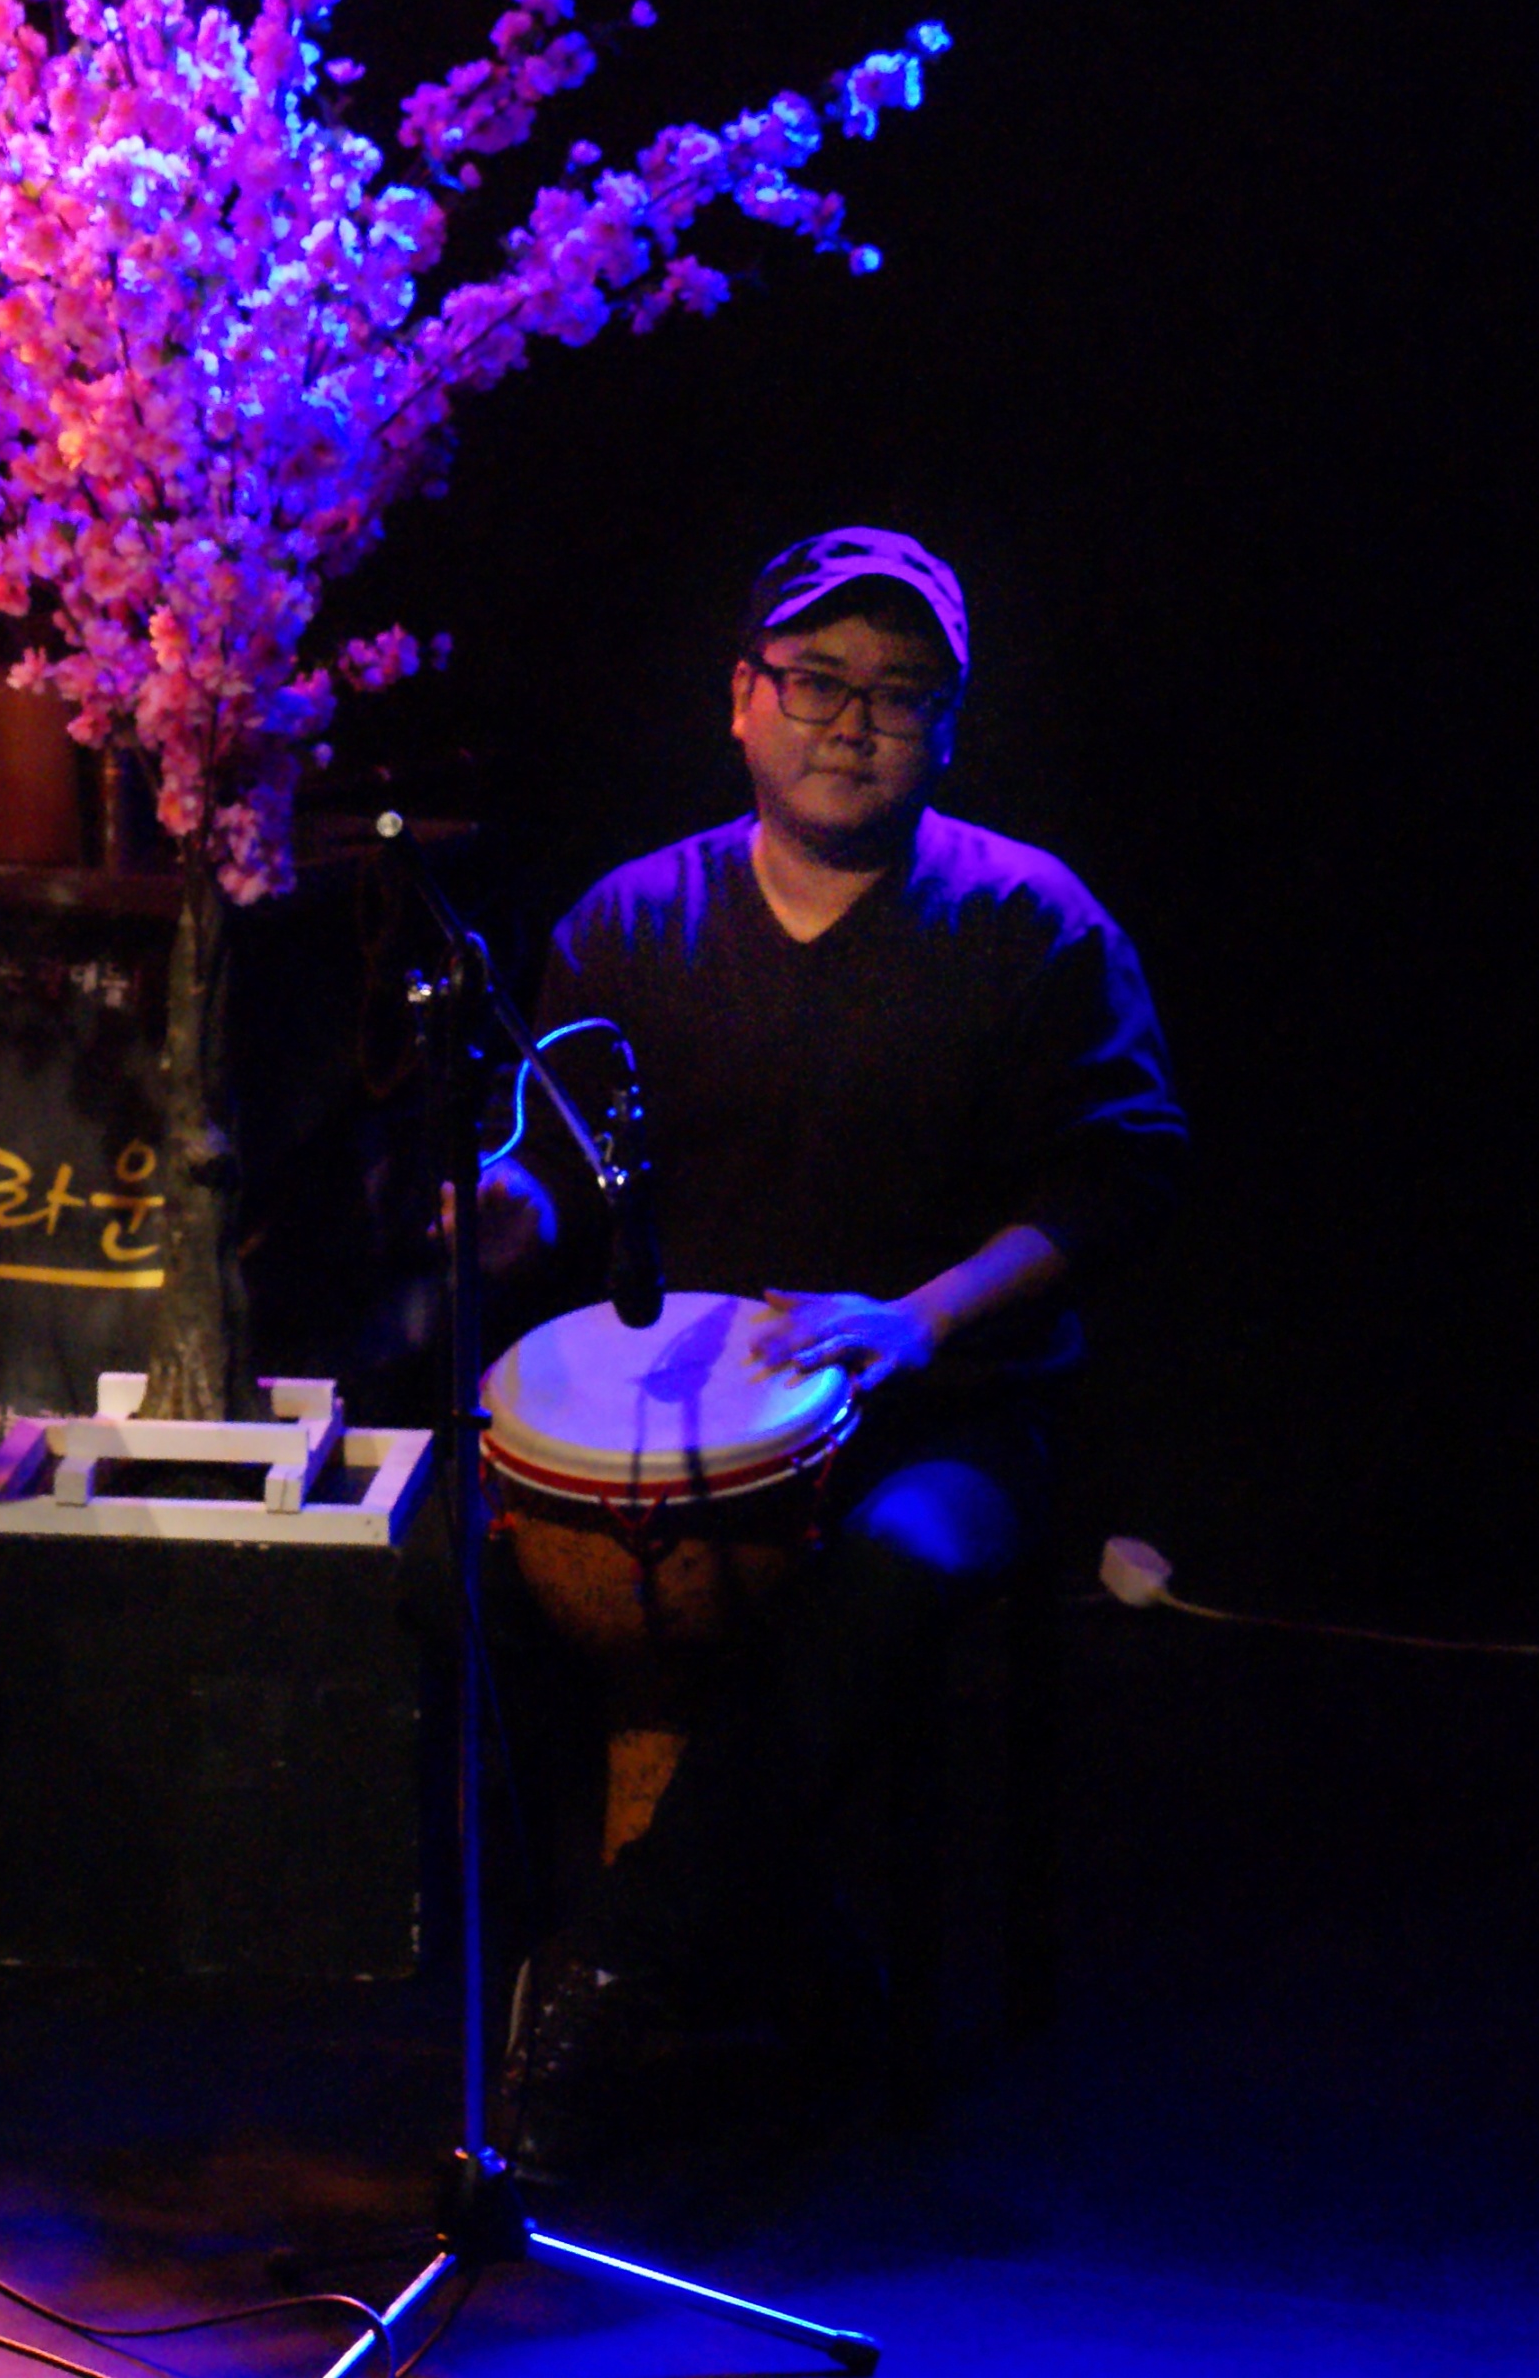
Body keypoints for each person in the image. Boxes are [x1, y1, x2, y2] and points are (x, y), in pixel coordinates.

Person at [478, 525, 1187, 2177]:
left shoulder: (1030, 921)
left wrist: (919, 1319)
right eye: (815, 681)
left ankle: (613, 1968)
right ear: (742, 698)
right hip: (688, 1413)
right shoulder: (632, 921)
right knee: (456, 1558)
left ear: (948, 725)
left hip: (948, 1409)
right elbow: (558, 1167)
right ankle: (749, 1938)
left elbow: (1125, 1175)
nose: (852, 721)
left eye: (899, 691)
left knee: (891, 1571)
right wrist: (506, 1207)